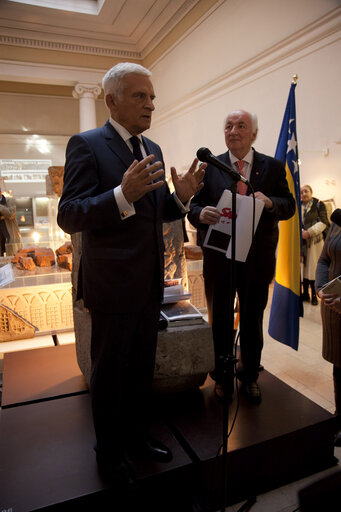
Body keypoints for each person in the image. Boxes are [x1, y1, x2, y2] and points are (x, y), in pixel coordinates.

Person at [57, 62, 205, 483]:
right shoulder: (86, 145)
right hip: (110, 286)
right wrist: (121, 194)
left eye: (152, 97)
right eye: (140, 96)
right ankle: (108, 452)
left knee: (141, 369)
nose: (150, 104)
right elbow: (69, 215)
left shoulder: (152, 149)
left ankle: (139, 436)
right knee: (110, 374)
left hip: (147, 283)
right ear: (112, 100)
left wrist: (181, 199)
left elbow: (156, 213)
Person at [188, 109, 295, 405]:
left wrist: (271, 201)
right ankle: (222, 377)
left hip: (257, 261)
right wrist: (201, 213)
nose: (233, 131)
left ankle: (249, 376)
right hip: (220, 259)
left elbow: (289, 207)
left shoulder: (273, 168)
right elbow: (192, 206)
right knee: (220, 319)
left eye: (241, 125)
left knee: (251, 320)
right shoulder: (210, 166)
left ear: (254, 133)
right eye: (228, 126)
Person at [315, 208, 341, 446]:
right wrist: (321, 287)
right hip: (334, 309)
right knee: (339, 365)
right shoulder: (337, 220)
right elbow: (325, 258)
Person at [301, 184, 329, 305]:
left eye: (306, 191)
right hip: (302, 242)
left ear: (311, 192)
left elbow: (324, 222)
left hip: (315, 243)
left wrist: (309, 232)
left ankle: (314, 294)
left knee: (314, 268)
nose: (303, 194)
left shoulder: (319, 204)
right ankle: (305, 293)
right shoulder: (299, 205)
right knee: (304, 269)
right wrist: (302, 232)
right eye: (301, 192)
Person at [0, 189, 23, 256]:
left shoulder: (10, 201)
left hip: (10, 233)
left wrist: (1, 207)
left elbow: (11, 213)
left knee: (13, 255)